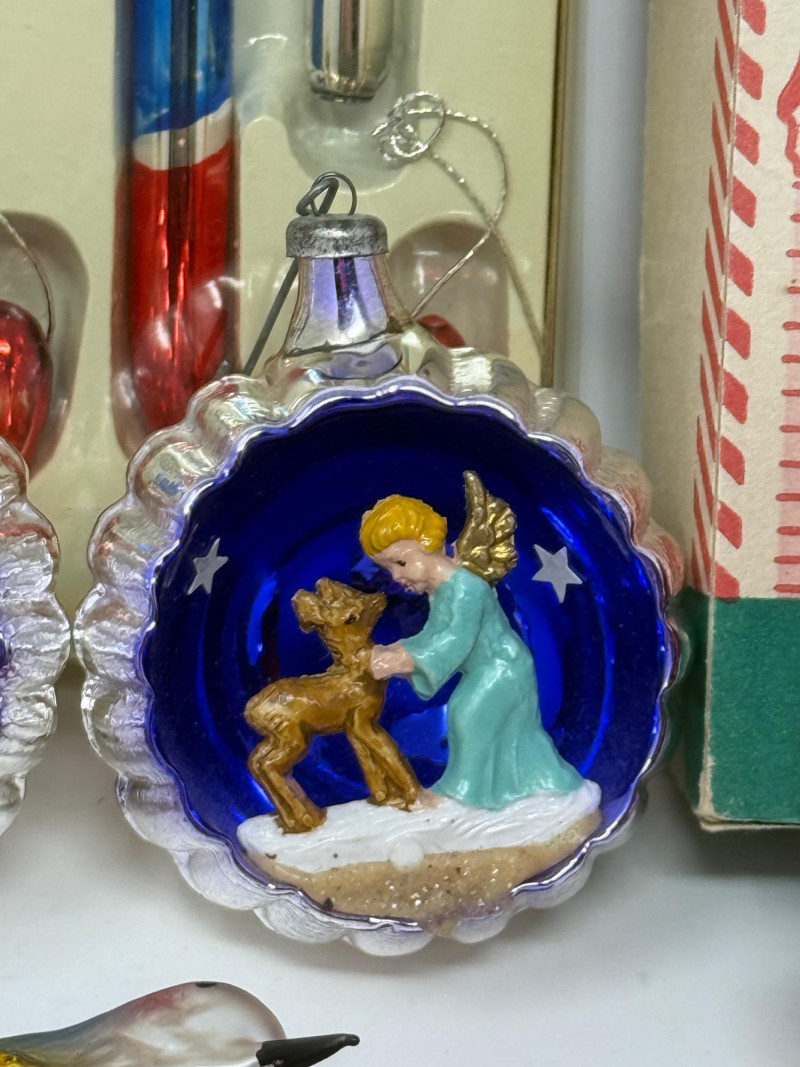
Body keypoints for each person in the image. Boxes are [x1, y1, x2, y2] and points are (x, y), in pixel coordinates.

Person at [360, 492, 587, 810]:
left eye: (401, 562)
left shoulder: (467, 587)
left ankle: (460, 792)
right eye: (388, 569)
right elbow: (433, 635)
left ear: (428, 544)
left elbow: (455, 641)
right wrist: (396, 649)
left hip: (503, 667)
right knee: (504, 729)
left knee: (467, 715)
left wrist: (404, 661)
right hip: (488, 669)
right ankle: (534, 783)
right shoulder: (441, 589)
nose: (396, 577)